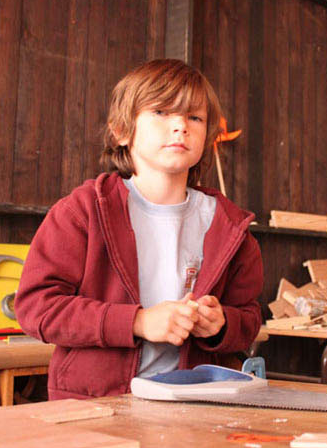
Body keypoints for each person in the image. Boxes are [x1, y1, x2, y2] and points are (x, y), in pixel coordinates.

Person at [15, 59, 263, 400]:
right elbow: (35, 308)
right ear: (122, 130)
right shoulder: (83, 211)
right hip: (95, 407)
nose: (181, 126)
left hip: (200, 406)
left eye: (195, 117)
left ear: (207, 136)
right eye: (161, 112)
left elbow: (249, 318)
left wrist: (223, 325)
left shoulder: (231, 226)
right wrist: (137, 322)